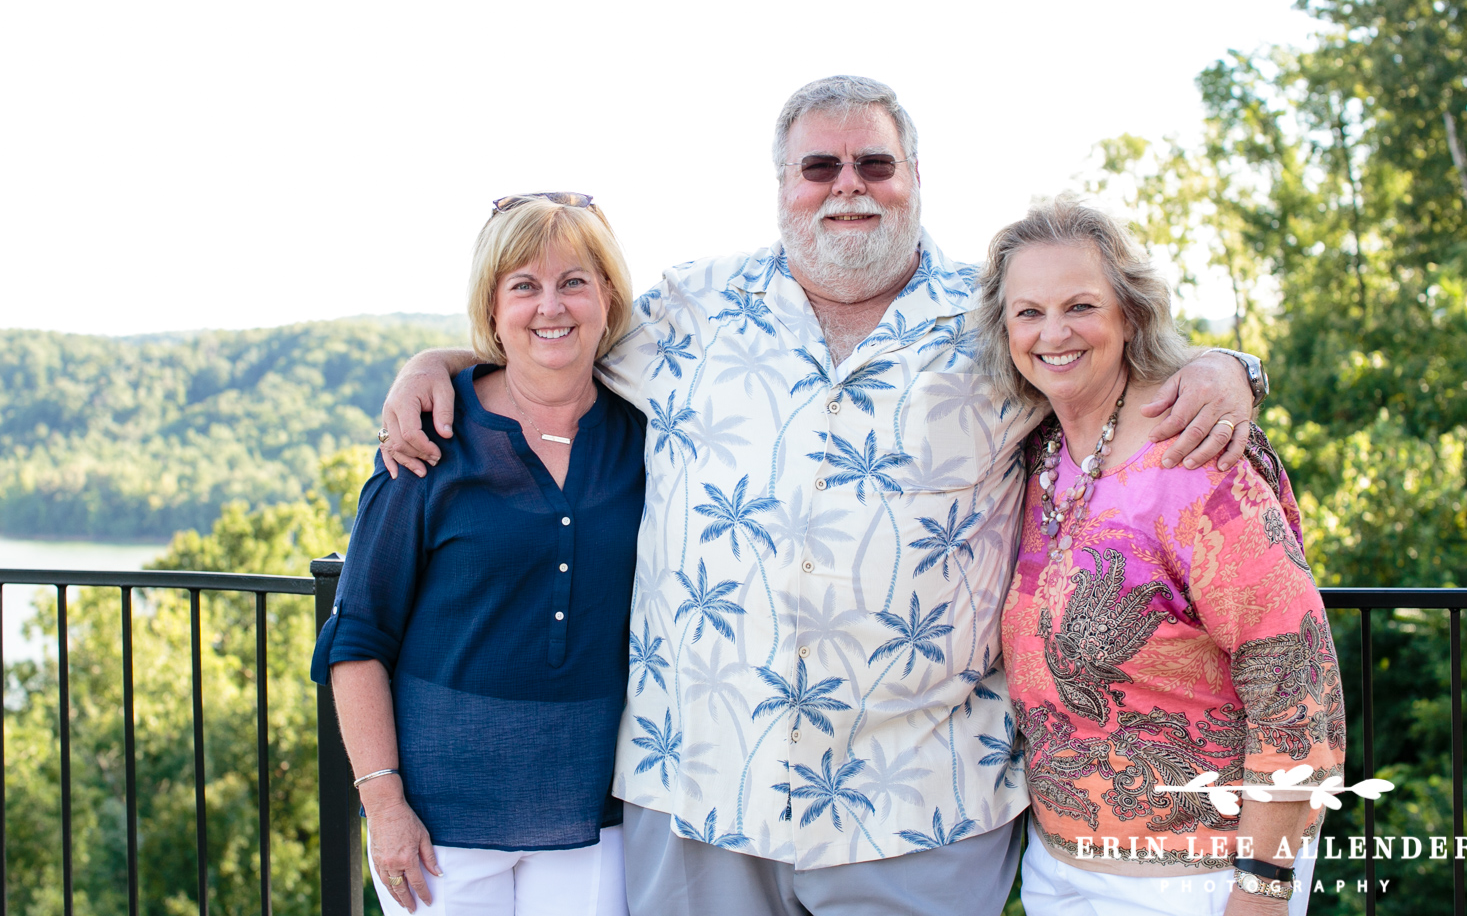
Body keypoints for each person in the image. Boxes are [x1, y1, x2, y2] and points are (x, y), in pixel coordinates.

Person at [378, 77, 1264, 915]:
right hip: (701, 795)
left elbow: (1113, 360)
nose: (849, 187)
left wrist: (1232, 367)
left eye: (875, 164)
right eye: (820, 167)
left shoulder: (998, 316)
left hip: (920, 807)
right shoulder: (694, 304)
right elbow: (554, 333)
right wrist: (440, 363)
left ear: (914, 177)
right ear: (782, 184)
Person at [976, 196, 1344, 915]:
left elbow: (1299, 691)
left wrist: (1263, 890)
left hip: (1198, 886)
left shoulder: (1196, 461)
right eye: (1029, 313)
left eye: (1080, 305)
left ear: (1129, 315)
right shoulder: (1035, 455)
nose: (1054, 332)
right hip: (1058, 874)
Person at [310, 193, 645, 916]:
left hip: (596, 816)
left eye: (573, 281)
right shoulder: (431, 436)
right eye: (523, 285)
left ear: (609, 297)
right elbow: (357, 637)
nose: (550, 306)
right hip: (438, 827)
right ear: (492, 308)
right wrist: (384, 802)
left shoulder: (649, 434)